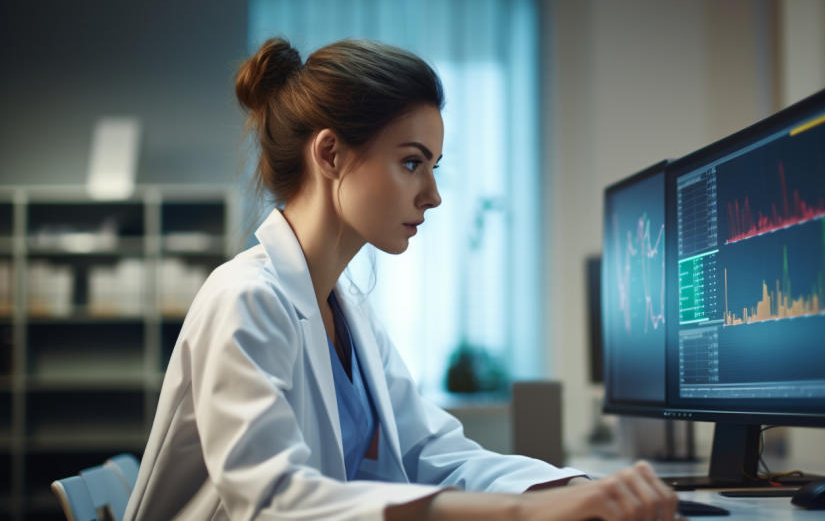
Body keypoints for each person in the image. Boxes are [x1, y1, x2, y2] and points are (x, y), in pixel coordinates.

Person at [123, 38, 678, 521]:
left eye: (434, 166)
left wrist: (573, 487)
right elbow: (274, 502)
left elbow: (432, 451)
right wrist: (524, 511)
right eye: (413, 163)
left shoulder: (349, 312)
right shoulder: (245, 300)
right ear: (331, 153)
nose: (432, 195)